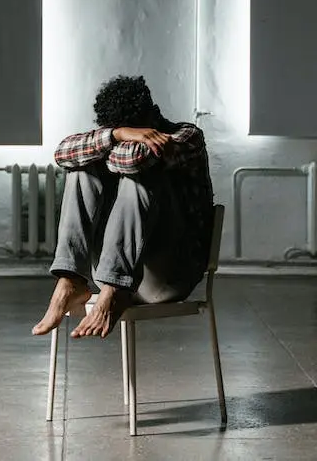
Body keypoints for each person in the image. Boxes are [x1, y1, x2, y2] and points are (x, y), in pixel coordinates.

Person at [31, 75, 215, 340]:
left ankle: (115, 289)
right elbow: (62, 153)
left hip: (170, 275)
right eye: (120, 130)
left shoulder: (187, 136)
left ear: (154, 116)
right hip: (111, 272)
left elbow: (139, 159)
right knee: (81, 170)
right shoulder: (118, 135)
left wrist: (109, 141)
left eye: (134, 129)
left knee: (140, 175)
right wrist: (116, 134)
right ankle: (71, 279)